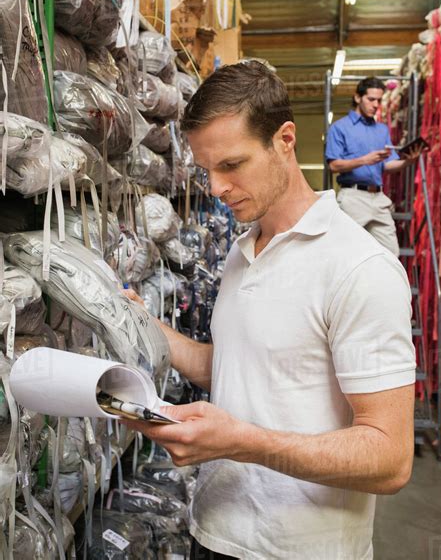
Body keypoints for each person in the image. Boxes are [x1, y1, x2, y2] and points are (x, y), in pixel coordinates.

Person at [124, 61, 416, 560]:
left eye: (231, 166)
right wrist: (139, 324)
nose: (215, 188)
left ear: (285, 140)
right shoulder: (243, 251)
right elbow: (243, 370)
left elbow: (390, 458)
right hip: (214, 534)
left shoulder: (358, 266)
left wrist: (242, 442)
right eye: (206, 171)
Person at [325, 77, 420, 257]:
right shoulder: (340, 127)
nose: (376, 104)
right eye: (371, 99)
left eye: (379, 100)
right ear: (358, 97)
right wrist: (365, 160)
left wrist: (409, 161)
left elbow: (388, 164)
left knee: (391, 253)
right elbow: (334, 165)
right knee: (345, 253)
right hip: (352, 197)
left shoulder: (382, 130)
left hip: (378, 197)